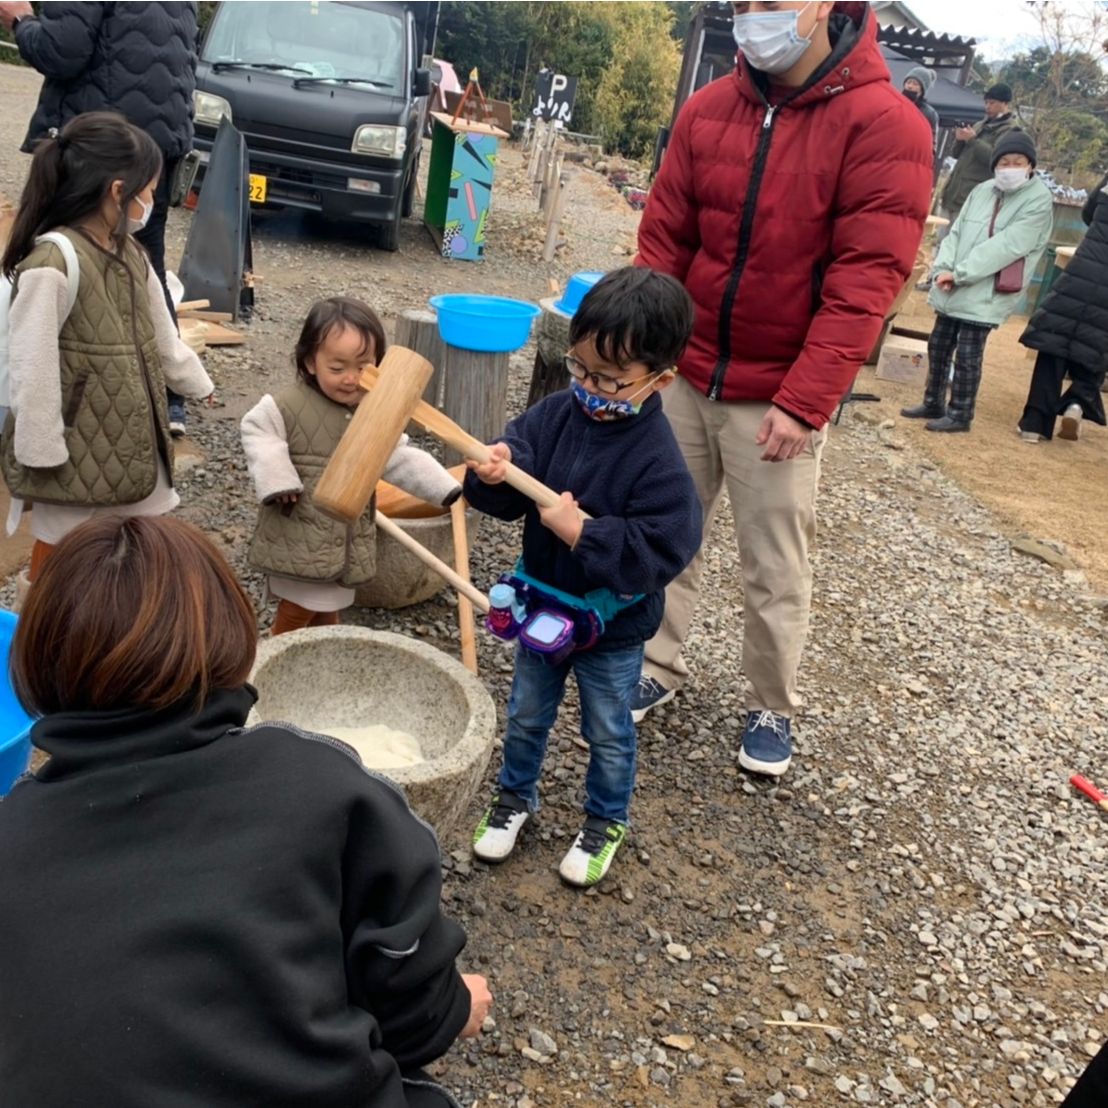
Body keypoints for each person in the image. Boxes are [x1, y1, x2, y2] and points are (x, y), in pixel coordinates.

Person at [0, 514, 490, 1107]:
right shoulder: (321, 786)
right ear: (230, 640)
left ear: (36, 662)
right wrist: (456, 1006)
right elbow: (412, 1012)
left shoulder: (12, 829)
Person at [630, 2, 932, 776]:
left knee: (773, 560)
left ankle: (772, 702)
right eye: (743, 4)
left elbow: (866, 280)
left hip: (778, 390)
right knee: (664, 531)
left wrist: (807, 399)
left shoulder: (886, 125)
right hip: (686, 371)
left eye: (771, 4)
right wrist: (649, 353)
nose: (753, 17)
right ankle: (656, 661)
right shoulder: (709, 109)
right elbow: (665, 238)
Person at [464, 268, 701, 887]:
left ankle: (604, 821)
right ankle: (514, 798)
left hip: (611, 629)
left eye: (610, 379)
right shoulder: (557, 413)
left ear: (660, 379)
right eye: (581, 368)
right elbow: (519, 456)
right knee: (526, 713)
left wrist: (584, 534)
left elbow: (666, 548)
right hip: (541, 602)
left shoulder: (660, 461)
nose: (590, 387)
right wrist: (500, 467)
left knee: (607, 729)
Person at [0, 112, 212, 583]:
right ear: (119, 191)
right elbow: (31, 366)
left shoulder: (132, 253)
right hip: (71, 448)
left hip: (136, 440)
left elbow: (163, 335)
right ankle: (39, 627)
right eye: (150, 191)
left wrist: (195, 383)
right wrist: (39, 449)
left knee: (141, 548)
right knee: (59, 557)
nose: (152, 202)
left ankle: (121, 625)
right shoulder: (53, 261)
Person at [0, 0, 200, 436]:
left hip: (98, 143)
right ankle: (167, 397)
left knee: (55, 263)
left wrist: (21, 21)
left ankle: (37, 401)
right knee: (145, 264)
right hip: (158, 141)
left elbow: (62, 49)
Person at [241, 296, 462, 635]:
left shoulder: (372, 411)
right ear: (310, 362)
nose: (350, 378)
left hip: (343, 538)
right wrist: (278, 480)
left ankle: (327, 654)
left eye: (363, 367)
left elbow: (397, 455)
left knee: (328, 608)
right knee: (298, 611)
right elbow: (258, 431)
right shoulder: (286, 405)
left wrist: (443, 487)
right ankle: (273, 655)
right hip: (301, 533)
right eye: (337, 368)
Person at [901, 131, 1053, 433]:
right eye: (1004, 162)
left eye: (1018, 162)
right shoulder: (982, 190)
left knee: (968, 352)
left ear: (1031, 165)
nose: (1010, 168)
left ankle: (960, 412)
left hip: (987, 285)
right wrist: (943, 268)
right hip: (954, 279)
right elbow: (956, 233)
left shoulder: (1038, 200)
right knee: (939, 344)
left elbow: (1007, 246)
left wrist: (960, 273)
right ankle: (933, 401)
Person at [1017, 170, 1108, 443]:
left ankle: (1034, 423)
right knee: (1096, 345)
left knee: (1054, 341)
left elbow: (1088, 213)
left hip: (1084, 268)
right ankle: (1077, 403)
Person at [902, 65, 939, 155]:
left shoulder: (929, 113)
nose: (910, 86)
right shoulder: (894, 103)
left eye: (915, 84)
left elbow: (932, 141)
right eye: (908, 82)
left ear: (922, 89)